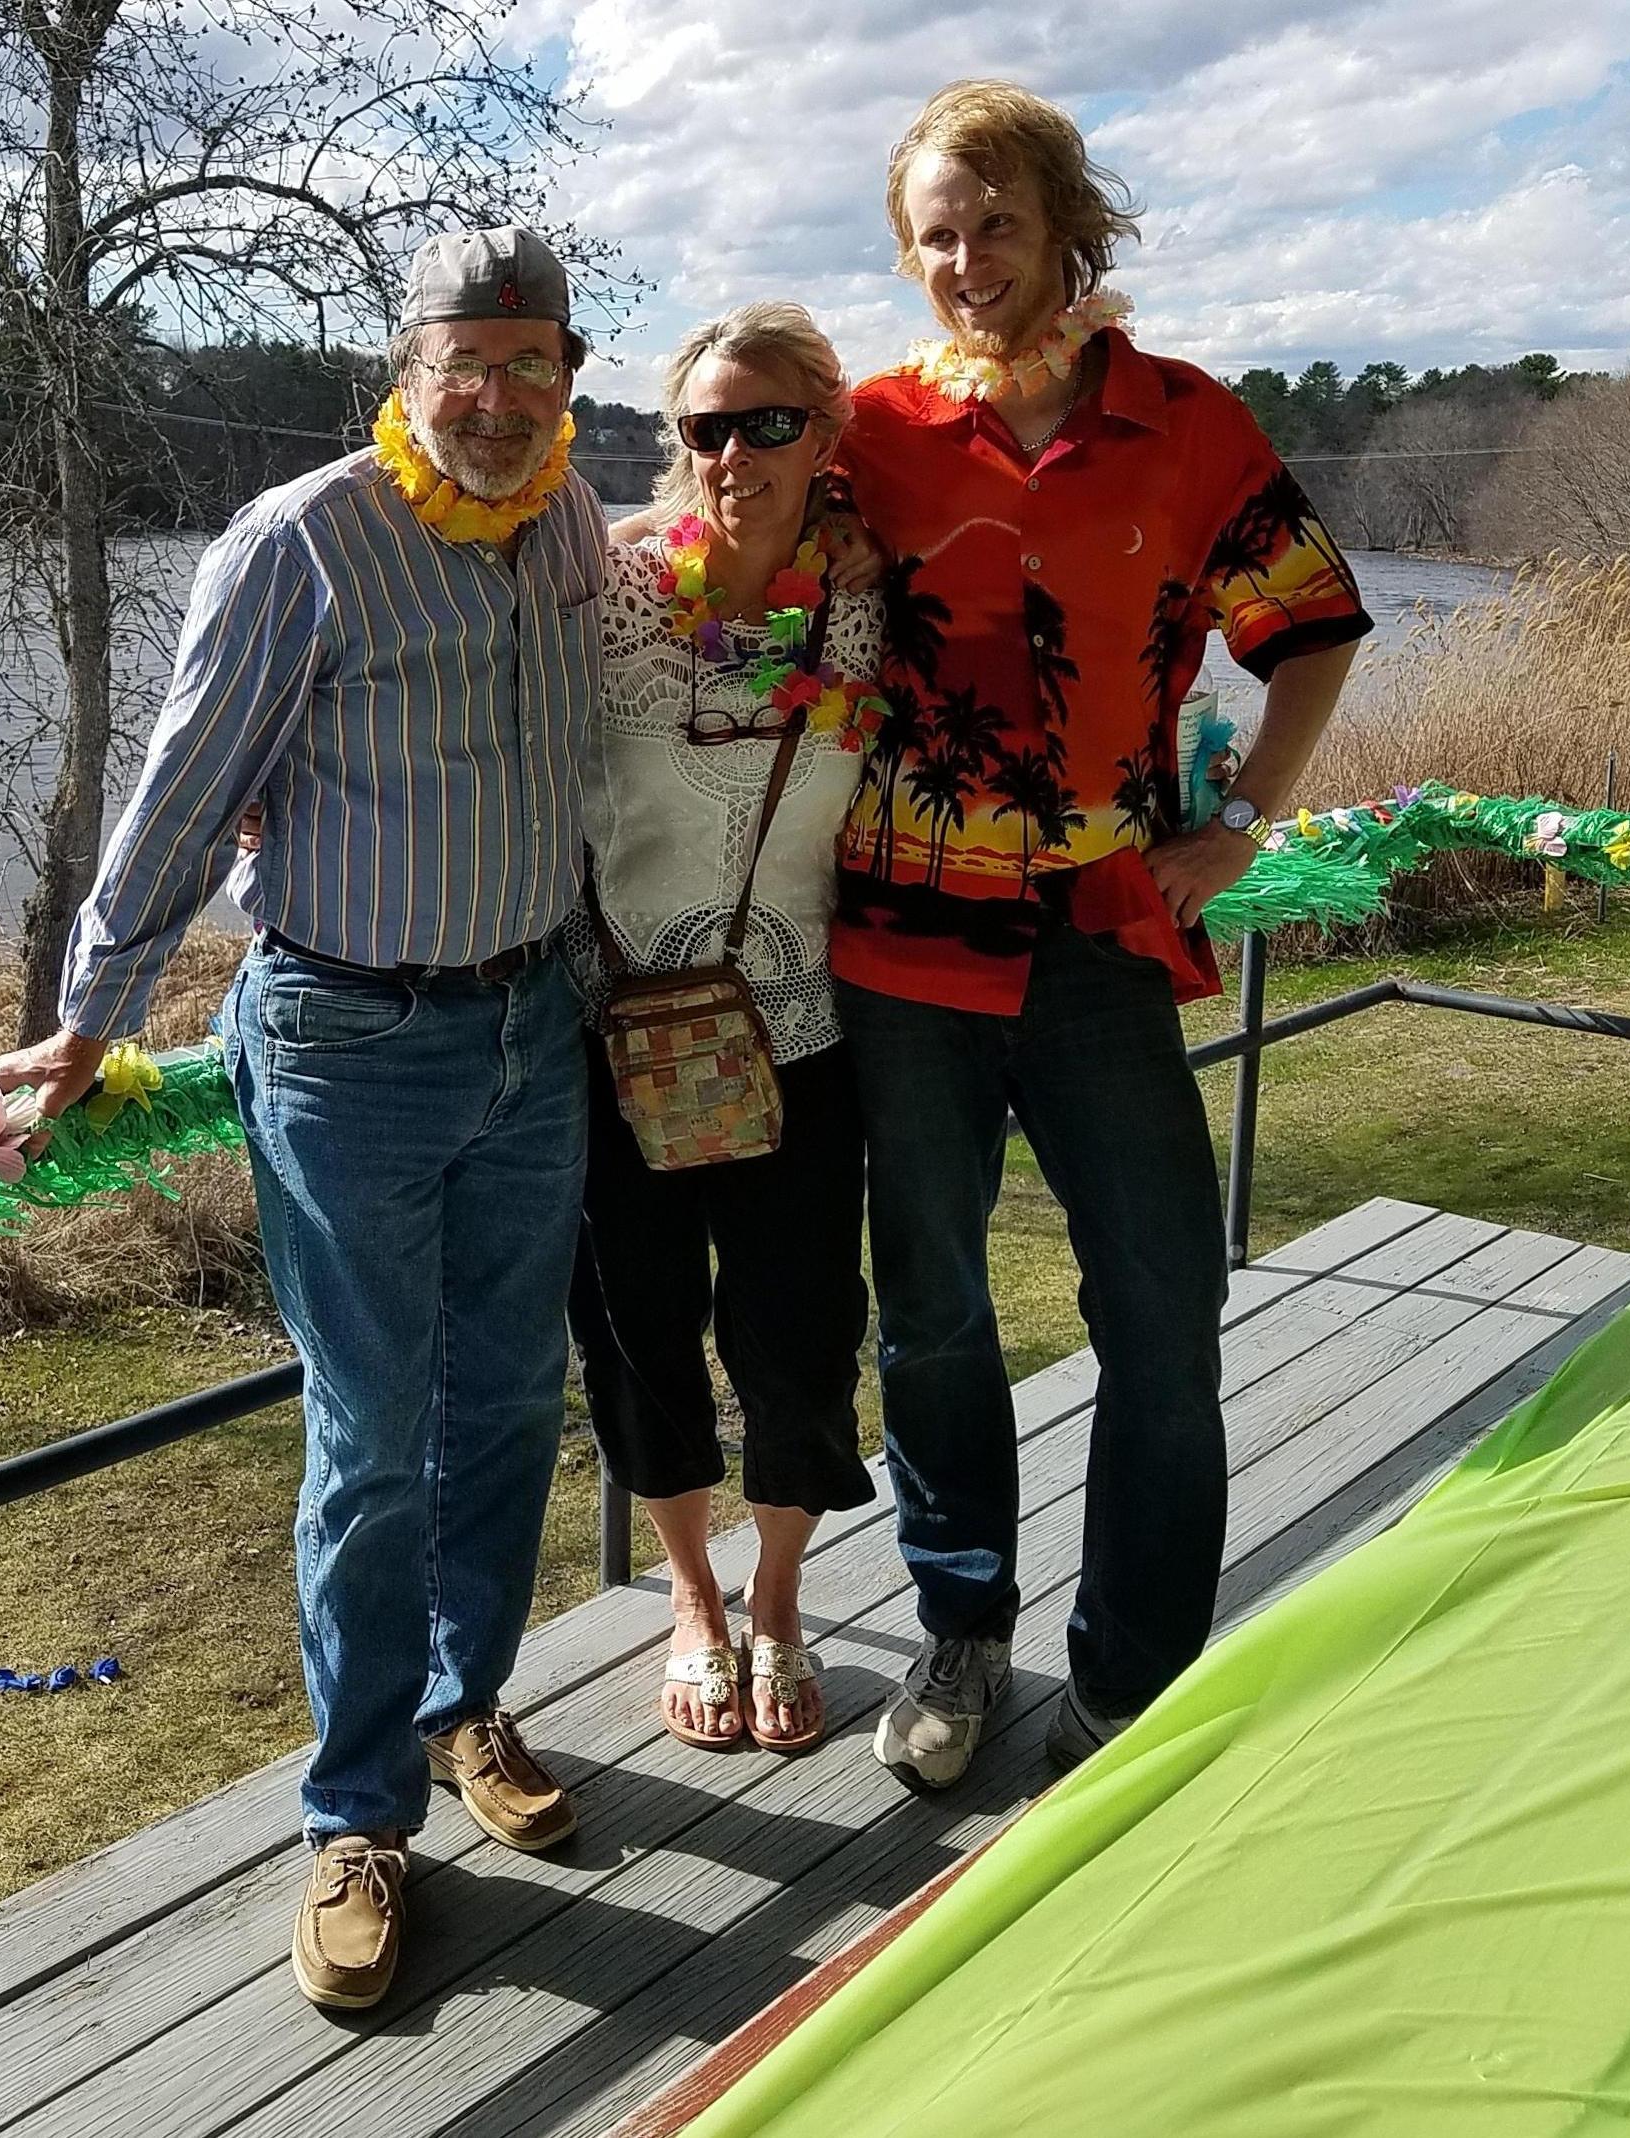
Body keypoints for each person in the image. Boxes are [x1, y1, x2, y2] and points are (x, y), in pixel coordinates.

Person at [0, 227, 607, 2012]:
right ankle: (354, 1813)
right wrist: (85, 1021)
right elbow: (181, 795)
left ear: (567, 373)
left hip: (530, 1026)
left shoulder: (570, 521)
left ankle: (471, 1699)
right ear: (402, 371)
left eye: (524, 363)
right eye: (456, 363)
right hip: (345, 1044)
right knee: (374, 1431)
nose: (492, 397)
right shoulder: (305, 537)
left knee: (513, 1404)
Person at [833, 81, 1372, 1787]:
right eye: (936, 233)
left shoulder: (1184, 423)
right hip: (899, 952)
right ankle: (960, 1630)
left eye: (995, 221)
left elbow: (1308, 623)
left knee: (1159, 1298)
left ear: (1068, 221)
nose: (967, 258)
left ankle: (1132, 1677)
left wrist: (1243, 825)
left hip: (1097, 943)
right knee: (928, 1307)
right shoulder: (867, 430)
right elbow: (732, 569)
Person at [564, 305, 886, 1754]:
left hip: (803, 1036)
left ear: (825, 430)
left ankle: (775, 1603)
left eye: (767, 422)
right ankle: (689, 1601)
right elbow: (461, 708)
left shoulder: (872, 601)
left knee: (802, 1337)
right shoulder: (609, 587)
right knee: (639, 1330)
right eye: (705, 425)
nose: (733, 453)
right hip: (623, 1030)